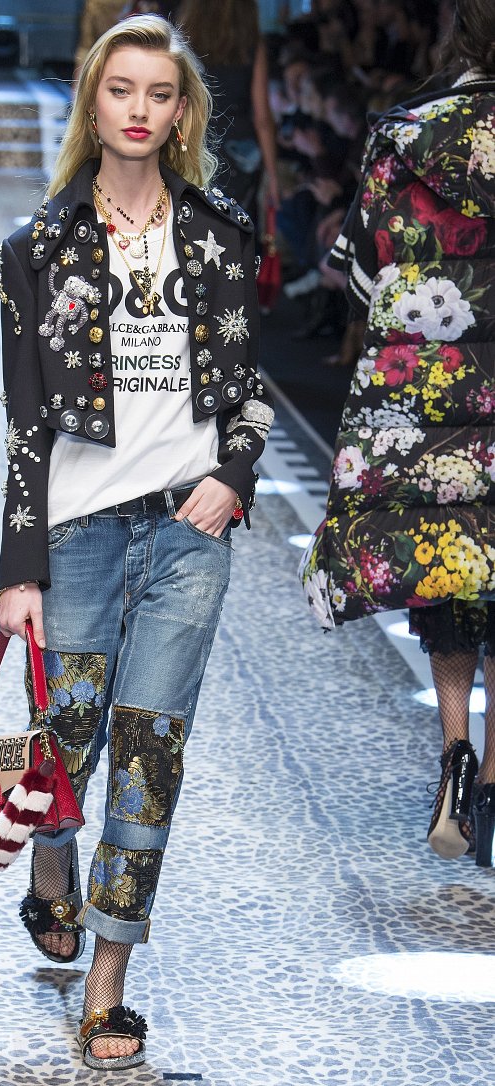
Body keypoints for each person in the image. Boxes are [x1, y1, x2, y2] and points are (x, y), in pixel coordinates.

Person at [0, 13, 273, 1070]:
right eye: (122, 90)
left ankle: (108, 985)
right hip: (76, 532)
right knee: (65, 744)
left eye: (160, 93)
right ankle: (50, 867)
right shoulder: (38, 247)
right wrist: (19, 569)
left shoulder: (222, 233)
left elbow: (247, 394)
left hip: (185, 534)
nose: (140, 110)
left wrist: (233, 479)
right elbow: (25, 421)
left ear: (183, 111)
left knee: (150, 757)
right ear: (93, 103)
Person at [299, 0, 495, 867]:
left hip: (428, 391)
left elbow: (357, 274)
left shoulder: (406, 136)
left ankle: (455, 751)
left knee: (451, 569)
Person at [177, 0, 280, 214]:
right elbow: (262, 118)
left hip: (196, 139)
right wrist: (272, 175)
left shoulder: (184, 39)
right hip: (240, 149)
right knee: (237, 220)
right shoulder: (252, 44)